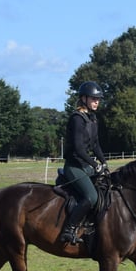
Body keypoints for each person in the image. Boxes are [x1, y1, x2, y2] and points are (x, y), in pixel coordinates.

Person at [59, 81, 109, 244]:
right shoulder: (77, 119)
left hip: (86, 166)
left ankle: (93, 225)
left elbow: (95, 145)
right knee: (92, 196)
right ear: (84, 99)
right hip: (74, 167)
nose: (97, 102)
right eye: (94, 99)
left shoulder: (93, 119)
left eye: (98, 99)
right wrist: (95, 165)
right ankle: (69, 230)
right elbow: (79, 149)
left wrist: (104, 162)